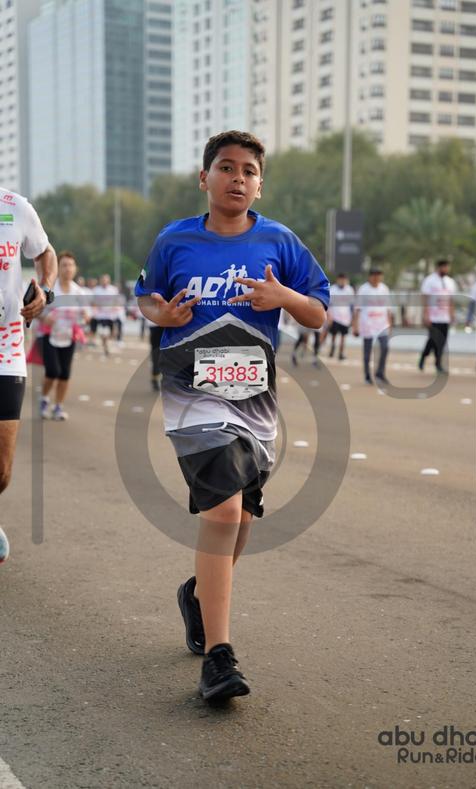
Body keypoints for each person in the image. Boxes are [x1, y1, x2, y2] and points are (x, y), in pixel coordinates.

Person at [136, 130, 329, 702]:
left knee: (241, 518)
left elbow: (317, 311)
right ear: (205, 178)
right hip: (191, 394)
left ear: (260, 184)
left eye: (249, 170)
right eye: (226, 167)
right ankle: (219, 659)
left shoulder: (279, 241)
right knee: (221, 512)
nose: (237, 178)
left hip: (255, 400)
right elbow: (145, 295)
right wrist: (161, 314)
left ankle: (198, 594)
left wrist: (283, 298)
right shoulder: (175, 240)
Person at [0, 186, 57, 563]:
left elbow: (45, 252)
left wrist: (45, 290)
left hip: (6, 348)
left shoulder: (14, 207)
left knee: (2, 470)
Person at [39, 251, 88, 420]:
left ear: (75, 268)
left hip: (68, 337)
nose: (68, 268)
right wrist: (45, 317)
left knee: (65, 374)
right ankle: (44, 398)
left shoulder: (79, 292)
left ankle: (58, 406)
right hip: (49, 335)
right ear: (58, 268)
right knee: (53, 371)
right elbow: (37, 311)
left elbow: (86, 314)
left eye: (71, 265)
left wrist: (86, 317)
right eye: (64, 265)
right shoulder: (51, 289)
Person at [353, 268, 392, 385]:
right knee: (367, 352)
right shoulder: (363, 290)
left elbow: (388, 308)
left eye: (379, 276)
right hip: (368, 325)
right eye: (374, 276)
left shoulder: (384, 289)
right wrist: (355, 326)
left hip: (382, 324)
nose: (377, 278)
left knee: (385, 347)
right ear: (370, 277)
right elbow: (357, 309)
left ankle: (380, 373)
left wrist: (390, 324)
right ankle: (367, 375)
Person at [419, 259, 456, 374]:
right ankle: (424, 357)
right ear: (439, 267)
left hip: (445, 317)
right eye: (444, 267)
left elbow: (451, 300)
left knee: (442, 341)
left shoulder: (450, 282)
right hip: (433, 317)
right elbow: (425, 298)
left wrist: (452, 314)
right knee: (433, 340)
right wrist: (425, 314)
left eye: (447, 267)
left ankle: (438, 363)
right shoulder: (430, 280)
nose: (446, 269)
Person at [327, 273, 353, 361]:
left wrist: (352, 318)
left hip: (345, 318)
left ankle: (341, 353)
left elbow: (351, 305)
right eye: (341, 279)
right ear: (337, 280)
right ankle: (332, 348)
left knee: (343, 336)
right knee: (334, 335)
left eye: (344, 280)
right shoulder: (333, 289)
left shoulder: (349, 290)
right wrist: (329, 316)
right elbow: (329, 304)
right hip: (335, 317)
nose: (342, 281)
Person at [92, 273, 119, 355]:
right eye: (103, 279)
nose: (104, 281)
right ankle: (105, 346)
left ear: (109, 280)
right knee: (103, 332)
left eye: (106, 279)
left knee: (111, 333)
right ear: (101, 280)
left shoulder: (113, 290)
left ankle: (107, 343)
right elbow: (93, 302)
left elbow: (116, 301)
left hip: (110, 315)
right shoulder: (96, 290)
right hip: (100, 315)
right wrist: (95, 309)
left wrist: (115, 308)